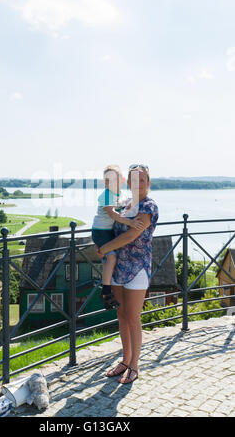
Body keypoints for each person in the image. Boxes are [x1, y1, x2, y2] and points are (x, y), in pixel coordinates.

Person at [95, 164, 159, 384]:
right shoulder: (124, 204)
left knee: (133, 318)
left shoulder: (148, 206)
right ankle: (125, 359)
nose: (137, 184)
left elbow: (131, 235)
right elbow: (110, 225)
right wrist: (102, 244)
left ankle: (134, 365)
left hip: (137, 268)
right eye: (132, 180)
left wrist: (104, 248)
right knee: (121, 315)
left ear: (148, 183)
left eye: (141, 180)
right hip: (118, 267)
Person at [92, 165, 144, 310]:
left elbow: (127, 207)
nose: (111, 182)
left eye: (114, 179)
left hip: (110, 231)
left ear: (121, 180)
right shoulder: (106, 195)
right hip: (101, 231)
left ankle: (108, 290)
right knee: (111, 257)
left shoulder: (121, 195)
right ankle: (106, 291)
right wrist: (131, 223)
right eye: (108, 180)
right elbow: (113, 214)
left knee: (108, 258)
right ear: (104, 182)